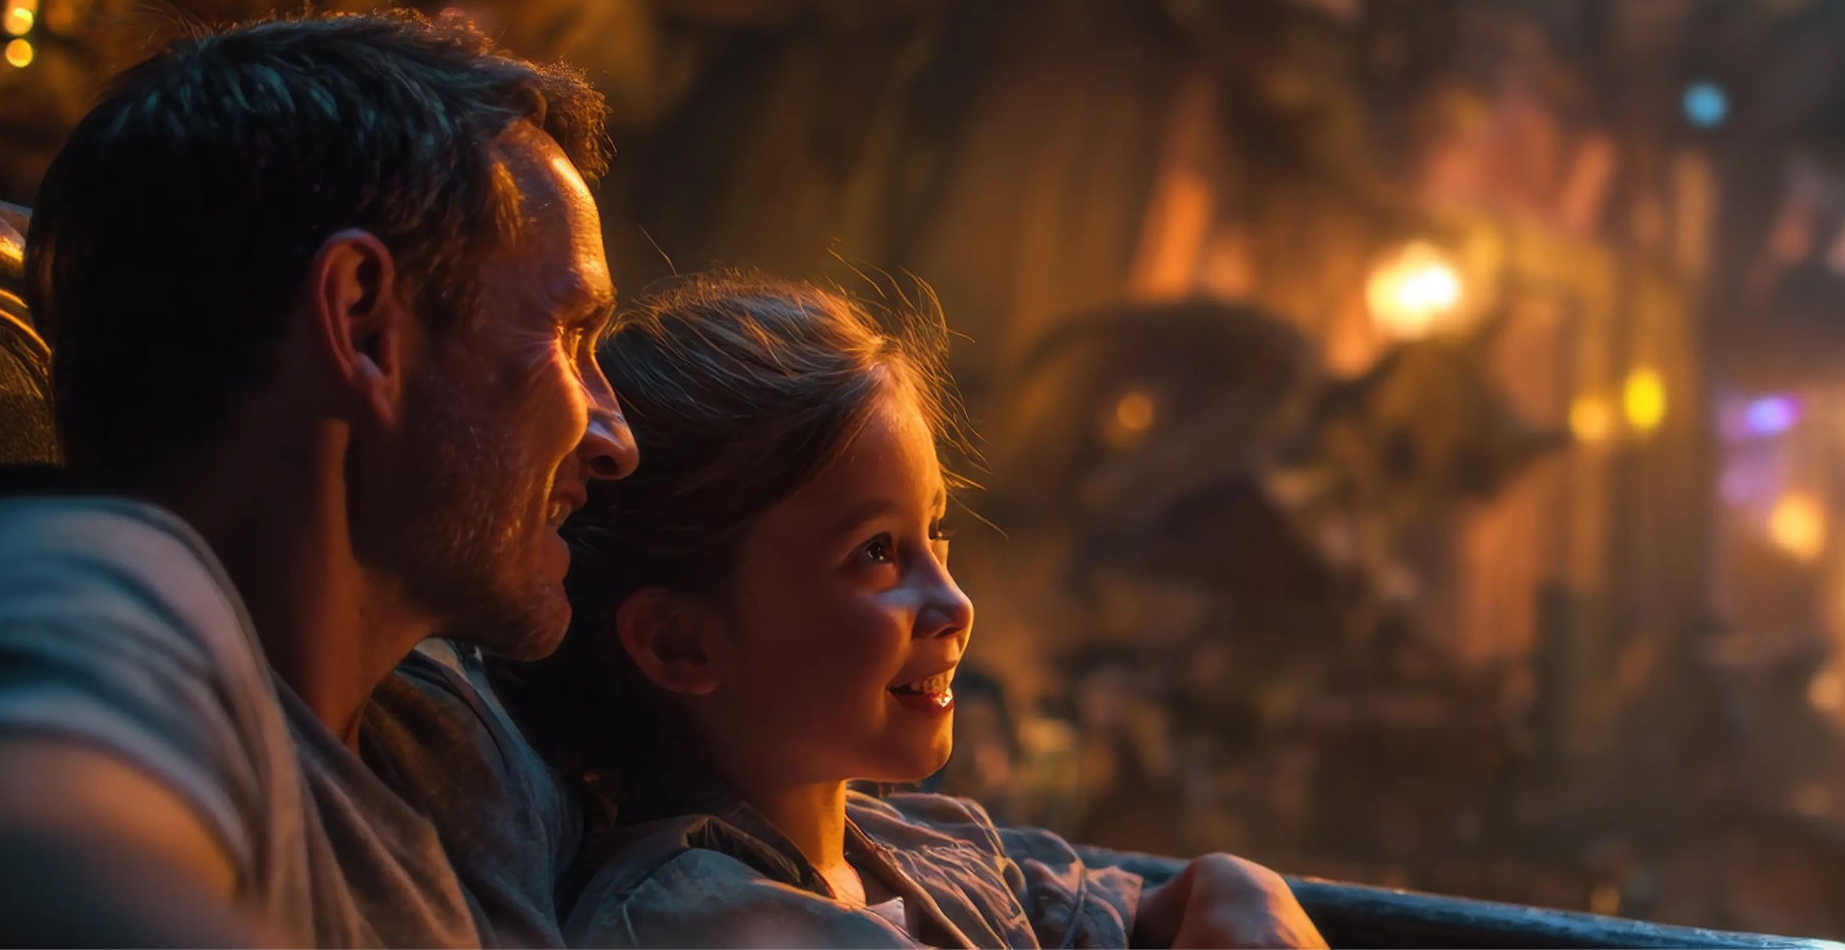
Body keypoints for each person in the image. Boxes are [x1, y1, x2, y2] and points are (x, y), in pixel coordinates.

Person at [0, 13, 638, 949]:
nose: (616, 437)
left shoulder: (425, 748)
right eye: (570, 335)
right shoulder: (85, 584)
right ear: (363, 322)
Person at [512, 275, 1326, 950]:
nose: (954, 602)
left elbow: (1163, 905)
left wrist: (1236, 887)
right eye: (874, 552)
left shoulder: (924, 850)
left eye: (935, 532)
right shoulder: (702, 919)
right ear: (679, 640)